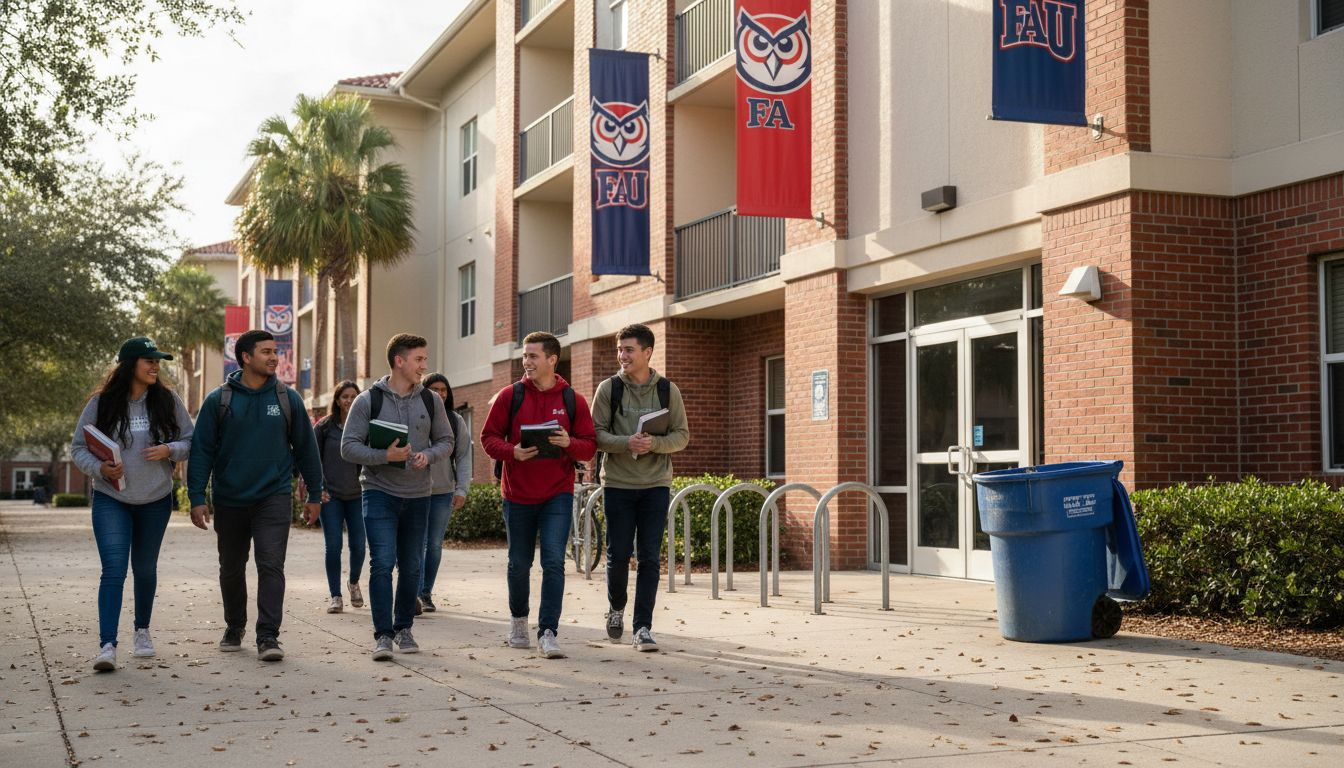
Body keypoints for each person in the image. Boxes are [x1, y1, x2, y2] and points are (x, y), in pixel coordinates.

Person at [187, 330, 323, 662]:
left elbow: (307, 449)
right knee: (231, 567)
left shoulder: (287, 399)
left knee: (271, 565)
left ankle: (268, 636)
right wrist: (196, 496)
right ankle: (235, 626)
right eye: (266, 351)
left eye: (275, 351)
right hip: (230, 498)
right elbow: (201, 450)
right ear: (246, 357)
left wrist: (315, 493)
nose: (274, 357)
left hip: (273, 496)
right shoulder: (219, 399)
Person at [71, 337, 194, 672]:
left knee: (145, 568)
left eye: (157, 362)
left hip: (155, 498)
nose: (155, 366)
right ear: (130, 365)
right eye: (148, 361)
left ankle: (142, 630)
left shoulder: (167, 400)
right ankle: (107, 645)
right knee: (113, 569)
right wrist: (100, 468)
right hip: (112, 498)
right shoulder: (102, 403)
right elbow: (78, 448)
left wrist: (169, 450)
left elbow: (190, 439)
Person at [481, 331, 597, 659]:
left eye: (533, 356)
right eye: (525, 356)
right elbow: (488, 437)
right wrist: (512, 452)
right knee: (518, 564)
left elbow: (589, 445)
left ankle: (548, 632)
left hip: (556, 495)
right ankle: (518, 621)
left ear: (551, 360)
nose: (526, 362)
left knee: (553, 563)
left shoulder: (573, 400)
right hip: (517, 494)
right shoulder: (510, 396)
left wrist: (568, 444)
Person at [340, 334, 454, 661]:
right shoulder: (367, 401)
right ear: (400, 361)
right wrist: (384, 456)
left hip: (419, 494)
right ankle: (383, 635)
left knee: (412, 566)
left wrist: (428, 456)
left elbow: (446, 441)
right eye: (419, 359)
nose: (424, 366)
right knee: (382, 563)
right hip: (379, 493)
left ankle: (404, 627)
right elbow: (348, 447)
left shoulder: (431, 401)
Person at [590, 324, 690, 652]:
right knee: (618, 555)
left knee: (649, 557)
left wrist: (654, 444)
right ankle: (616, 607)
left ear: (647, 352)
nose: (622, 356)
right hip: (618, 484)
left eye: (629, 350)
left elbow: (681, 435)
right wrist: (626, 442)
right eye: (620, 349)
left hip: (655, 485)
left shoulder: (667, 390)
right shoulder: (609, 389)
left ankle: (642, 627)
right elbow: (595, 434)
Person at [418, 372, 472, 613]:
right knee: (415, 545)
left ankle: (425, 593)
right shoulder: (414, 416)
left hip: (443, 491)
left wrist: (461, 489)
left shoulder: (455, 420)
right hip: (413, 491)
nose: (440, 394)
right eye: (434, 389)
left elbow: (463, 457)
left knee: (435, 545)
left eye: (443, 390)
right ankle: (413, 593)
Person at [313, 380, 366, 614]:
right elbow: (312, 460)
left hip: (358, 495)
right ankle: (335, 595)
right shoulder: (324, 428)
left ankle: (353, 582)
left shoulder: (365, 427)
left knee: (359, 546)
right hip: (331, 496)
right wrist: (318, 488)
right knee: (333, 546)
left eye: (354, 396)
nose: (349, 400)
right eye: (345, 396)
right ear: (337, 400)